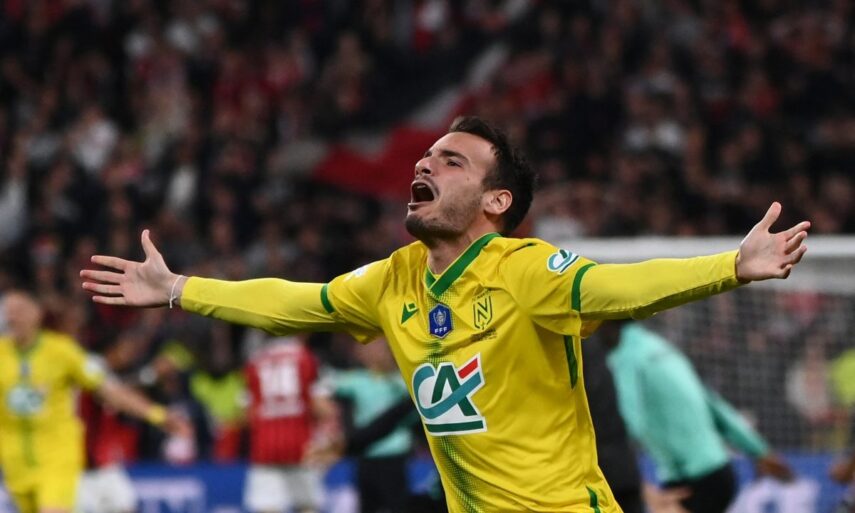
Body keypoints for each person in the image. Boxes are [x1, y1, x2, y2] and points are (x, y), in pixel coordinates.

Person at [81, 116, 810, 513]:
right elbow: (295, 303)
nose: (425, 164)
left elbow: (621, 287)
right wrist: (180, 289)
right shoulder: (393, 278)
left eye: (452, 160)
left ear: (497, 201)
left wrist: (729, 266)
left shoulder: (524, 269)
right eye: (426, 156)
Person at [0, 289, 188, 513]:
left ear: (37, 313)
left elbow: (109, 390)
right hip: (15, 465)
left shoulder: (62, 352)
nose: (13, 317)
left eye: (19, 310)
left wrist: (158, 415)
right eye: (9, 312)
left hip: (57, 459)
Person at [599, 320, 794, 513]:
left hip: (690, 480)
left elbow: (626, 425)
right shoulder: (660, 346)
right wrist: (759, 449)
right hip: (719, 470)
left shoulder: (625, 358)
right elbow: (713, 405)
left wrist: (636, 486)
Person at [243, 335, 339, 513]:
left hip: (265, 447)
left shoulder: (255, 361)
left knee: (267, 507)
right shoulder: (307, 358)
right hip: (301, 447)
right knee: (307, 506)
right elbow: (321, 407)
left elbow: (248, 414)